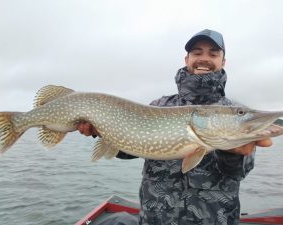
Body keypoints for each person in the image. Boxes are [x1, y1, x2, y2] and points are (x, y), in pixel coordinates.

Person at [77, 29, 272, 225]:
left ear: (223, 62)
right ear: (186, 59)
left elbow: (238, 173)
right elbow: (130, 149)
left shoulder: (233, 111)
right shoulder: (159, 106)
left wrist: (233, 153)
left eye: (213, 54)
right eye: (197, 53)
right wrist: (101, 131)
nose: (204, 58)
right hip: (156, 219)